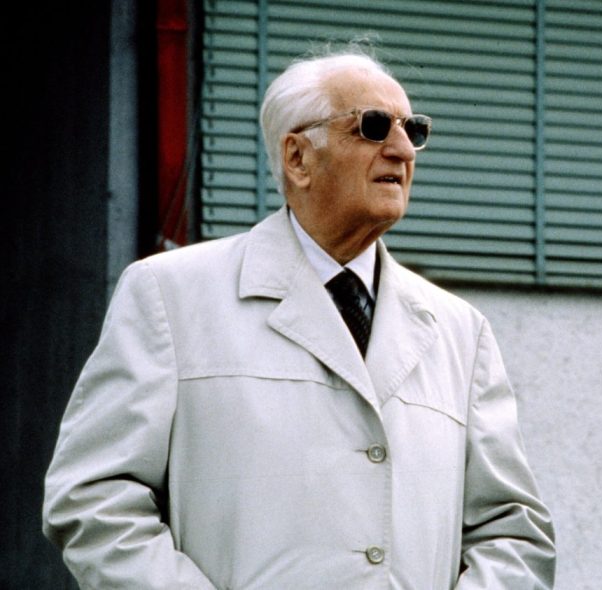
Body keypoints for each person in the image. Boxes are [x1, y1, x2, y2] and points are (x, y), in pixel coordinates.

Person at [43, 47, 556, 589]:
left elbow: (512, 533)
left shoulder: (460, 331)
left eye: (414, 130)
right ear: (298, 157)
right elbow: (94, 496)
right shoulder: (170, 295)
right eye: (373, 126)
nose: (403, 149)